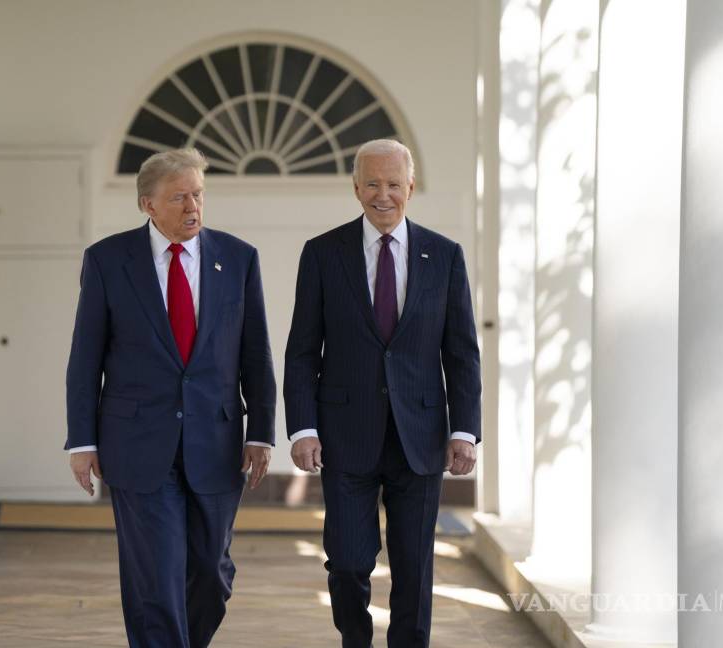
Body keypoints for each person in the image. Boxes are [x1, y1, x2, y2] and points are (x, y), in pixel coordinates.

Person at [65, 148, 276, 648]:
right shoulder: (107, 261)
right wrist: (81, 441)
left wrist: (262, 432)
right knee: (155, 582)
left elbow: (256, 354)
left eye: (198, 194)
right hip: (136, 444)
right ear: (148, 204)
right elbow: (84, 358)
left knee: (211, 574)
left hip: (218, 441)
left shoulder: (239, 258)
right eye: (179, 197)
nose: (192, 206)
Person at [284, 139, 481, 647]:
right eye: (372, 183)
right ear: (355, 188)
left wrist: (465, 431)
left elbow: (461, 354)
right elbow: (303, 350)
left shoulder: (445, 256)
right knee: (348, 561)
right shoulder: (323, 254)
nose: (383, 195)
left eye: (393, 184)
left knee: (414, 569)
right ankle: (356, 640)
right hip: (345, 435)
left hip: (421, 435)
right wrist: (303, 427)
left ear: (410, 187)